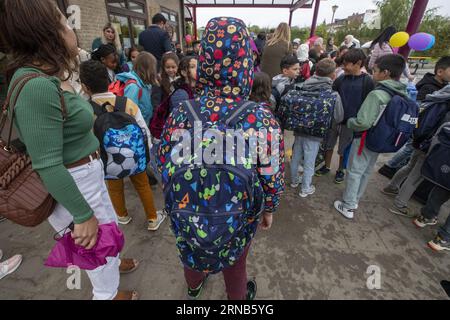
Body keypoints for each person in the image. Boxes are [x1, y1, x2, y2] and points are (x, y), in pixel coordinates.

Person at [0, 0, 138, 300]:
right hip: (76, 182)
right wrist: (82, 214)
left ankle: (110, 263)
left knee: (105, 234)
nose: (71, 28)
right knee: (95, 247)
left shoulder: (49, 76)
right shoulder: (37, 87)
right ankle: (107, 292)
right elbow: (47, 165)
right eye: (65, 23)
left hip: (87, 172)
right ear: (47, 34)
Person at [157, 17, 285, 301]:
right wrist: (270, 208)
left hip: (186, 206)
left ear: (204, 61)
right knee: (236, 258)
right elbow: (271, 173)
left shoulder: (181, 112)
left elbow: (163, 162)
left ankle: (194, 286)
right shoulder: (260, 117)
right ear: (245, 62)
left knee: (189, 248)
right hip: (239, 211)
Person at [80, 60, 166, 231]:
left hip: (107, 159)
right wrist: (146, 152)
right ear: (109, 81)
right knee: (142, 185)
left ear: (84, 87)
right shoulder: (126, 103)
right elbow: (142, 128)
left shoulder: (86, 110)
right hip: (134, 155)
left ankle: (122, 215)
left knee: (114, 188)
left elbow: (87, 138)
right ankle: (152, 218)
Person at [334, 54, 408, 219]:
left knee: (354, 171)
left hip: (365, 138)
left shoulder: (377, 94)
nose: (372, 73)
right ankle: (355, 199)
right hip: (382, 139)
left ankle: (348, 205)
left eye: (375, 70)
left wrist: (351, 121)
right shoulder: (401, 92)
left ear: (385, 72)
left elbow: (363, 122)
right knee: (366, 171)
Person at [378, 56, 450, 177]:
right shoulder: (429, 87)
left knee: (410, 148)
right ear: (440, 72)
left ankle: (392, 166)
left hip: (420, 122)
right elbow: (420, 106)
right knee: (410, 147)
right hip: (419, 123)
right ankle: (389, 166)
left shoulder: (439, 86)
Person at [386, 85, 450, 217]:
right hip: (429, 146)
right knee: (416, 177)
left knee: (410, 167)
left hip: (419, 140)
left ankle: (392, 186)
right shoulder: (445, 107)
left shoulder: (435, 99)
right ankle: (399, 204)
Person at [316, 49, 375, 184]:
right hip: (335, 120)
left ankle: (341, 169)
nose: (344, 67)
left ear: (358, 63)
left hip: (351, 122)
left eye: (347, 64)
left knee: (344, 147)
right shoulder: (341, 79)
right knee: (329, 144)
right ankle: (327, 166)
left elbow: (367, 103)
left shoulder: (367, 82)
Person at [290, 59, 344, 197]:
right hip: (316, 132)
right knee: (309, 160)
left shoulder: (301, 86)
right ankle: (305, 188)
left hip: (298, 127)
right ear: (332, 75)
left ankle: (294, 181)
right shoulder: (333, 94)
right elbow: (339, 117)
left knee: (296, 155)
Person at [116, 52, 159, 124]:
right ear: (148, 69)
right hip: (136, 130)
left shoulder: (144, 84)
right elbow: (129, 114)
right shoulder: (133, 87)